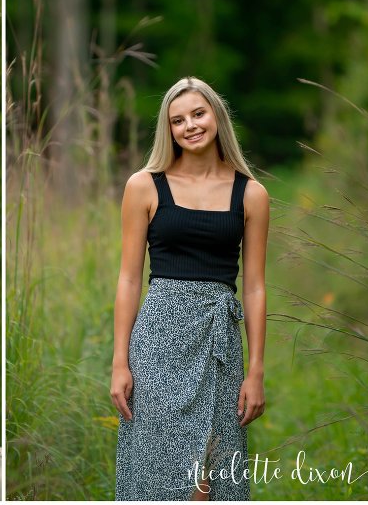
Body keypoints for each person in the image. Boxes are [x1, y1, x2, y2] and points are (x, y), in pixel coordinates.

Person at [111, 78, 269, 501]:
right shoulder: (144, 185)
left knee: (209, 477)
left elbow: (254, 288)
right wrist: (119, 362)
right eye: (177, 120)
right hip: (159, 339)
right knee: (159, 467)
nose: (190, 126)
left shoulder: (251, 194)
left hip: (219, 342)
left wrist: (255, 370)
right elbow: (128, 279)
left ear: (216, 115)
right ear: (169, 130)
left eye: (198, 114)